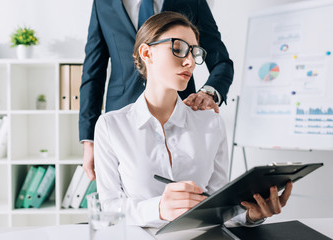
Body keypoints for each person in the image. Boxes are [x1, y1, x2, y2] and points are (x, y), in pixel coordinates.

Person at [94, 12, 293, 228]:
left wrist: (251, 214)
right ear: (146, 53)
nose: (190, 61)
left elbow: (221, 205)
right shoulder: (111, 126)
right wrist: (159, 208)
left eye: (194, 52)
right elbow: (110, 207)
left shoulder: (211, 123)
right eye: (178, 48)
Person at [80, 0, 234, 180]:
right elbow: (93, 72)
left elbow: (221, 61)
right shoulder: (103, 3)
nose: (190, 61)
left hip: (180, 117)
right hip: (123, 121)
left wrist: (207, 93)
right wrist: (89, 141)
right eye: (177, 49)